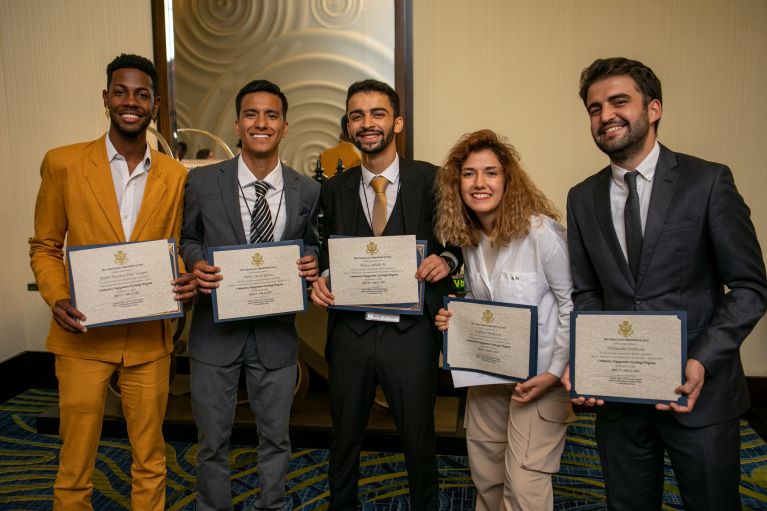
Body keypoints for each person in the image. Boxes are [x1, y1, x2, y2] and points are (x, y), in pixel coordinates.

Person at [564, 57, 767, 510]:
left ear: (653, 108)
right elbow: (587, 292)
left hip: (700, 395)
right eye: (595, 109)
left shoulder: (709, 181)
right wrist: (588, 354)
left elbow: (751, 288)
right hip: (619, 401)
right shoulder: (582, 198)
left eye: (619, 102)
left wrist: (702, 360)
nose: (605, 116)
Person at [28, 53, 195, 510]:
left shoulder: (176, 176)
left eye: (141, 94)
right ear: (105, 98)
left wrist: (183, 277)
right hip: (81, 335)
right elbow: (44, 245)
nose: (130, 102)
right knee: (75, 461)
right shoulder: (62, 164)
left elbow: (179, 246)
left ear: (155, 106)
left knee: (150, 457)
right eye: (120, 91)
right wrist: (57, 295)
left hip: (147, 341)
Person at [310, 79, 461, 510]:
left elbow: (459, 242)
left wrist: (447, 262)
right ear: (348, 126)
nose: (367, 123)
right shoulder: (334, 189)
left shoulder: (433, 180)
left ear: (397, 122)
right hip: (350, 336)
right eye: (356, 115)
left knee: (418, 444)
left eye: (377, 113)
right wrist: (321, 274)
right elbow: (326, 250)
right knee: (343, 444)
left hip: (410, 336)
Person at [180, 79, 320, 510]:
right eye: (252, 114)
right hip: (214, 334)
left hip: (275, 335)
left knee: (276, 438)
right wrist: (195, 262)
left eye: (271, 115)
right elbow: (187, 237)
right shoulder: (202, 183)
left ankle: (273, 505)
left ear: (284, 126)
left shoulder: (307, 189)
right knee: (211, 442)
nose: (262, 123)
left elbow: (312, 243)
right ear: (239, 124)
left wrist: (312, 261)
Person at [433, 129, 575, 510]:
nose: (479, 183)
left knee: (524, 483)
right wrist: (456, 317)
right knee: (488, 475)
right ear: (456, 183)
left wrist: (556, 371)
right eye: (468, 174)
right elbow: (486, 303)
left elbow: (571, 303)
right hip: (487, 376)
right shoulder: (469, 238)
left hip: (539, 379)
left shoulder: (542, 233)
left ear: (508, 180)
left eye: (491, 173)